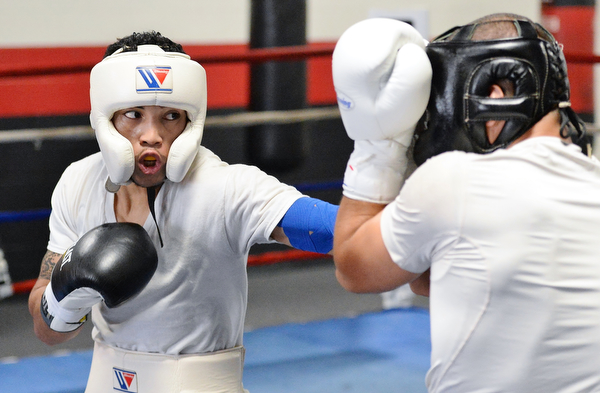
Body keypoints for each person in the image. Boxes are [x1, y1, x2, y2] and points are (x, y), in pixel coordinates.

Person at [28, 31, 338, 393]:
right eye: (133, 114)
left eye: (171, 116)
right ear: (106, 117)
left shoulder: (224, 187)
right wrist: (67, 293)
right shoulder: (78, 182)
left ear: (191, 121)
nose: (152, 136)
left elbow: (329, 228)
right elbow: (44, 330)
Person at [332, 13, 600, 392]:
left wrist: (378, 147)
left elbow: (354, 267)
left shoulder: (452, 183)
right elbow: (440, 276)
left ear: (493, 95)